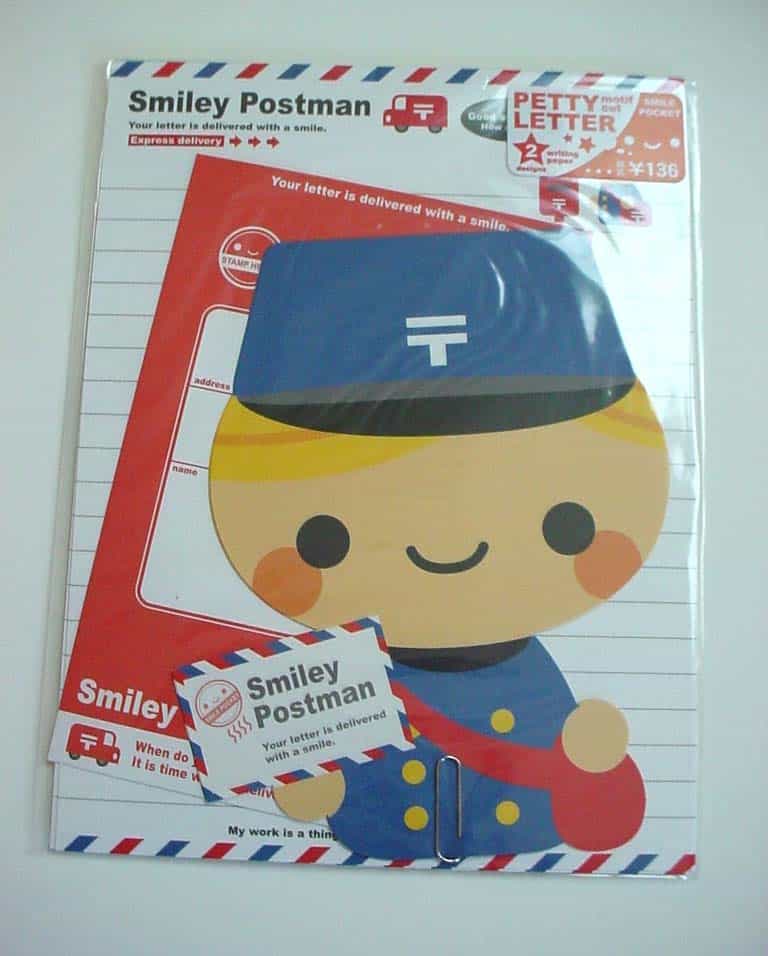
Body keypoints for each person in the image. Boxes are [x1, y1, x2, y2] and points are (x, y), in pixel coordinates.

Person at [208, 229, 669, 859]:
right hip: (377, 831)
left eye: (562, 524)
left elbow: (587, 784)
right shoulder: (346, 674)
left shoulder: (523, 676)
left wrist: (591, 752)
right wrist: (319, 783)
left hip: (523, 833)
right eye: (325, 539)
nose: (447, 538)